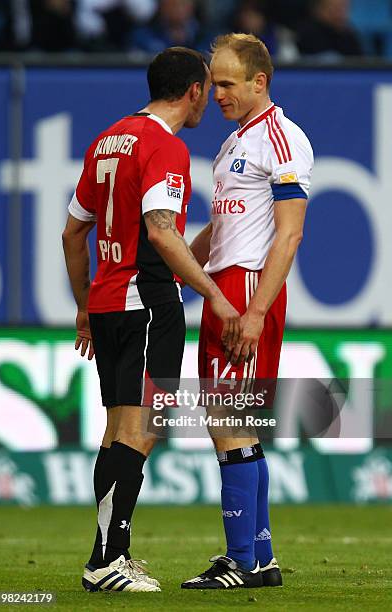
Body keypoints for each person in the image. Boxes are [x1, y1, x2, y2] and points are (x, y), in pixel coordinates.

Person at [62, 46, 240, 594]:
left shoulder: (107, 140)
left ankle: (109, 557)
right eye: (206, 89)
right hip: (147, 303)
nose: (208, 100)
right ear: (191, 90)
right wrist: (213, 292)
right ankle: (107, 561)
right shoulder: (165, 147)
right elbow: (161, 231)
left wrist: (85, 307)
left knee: (118, 430)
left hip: (109, 303)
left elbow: (73, 231)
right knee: (143, 430)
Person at [181, 33, 313, 589]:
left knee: (229, 424)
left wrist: (255, 310)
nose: (217, 94)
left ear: (261, 81)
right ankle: (260, 556)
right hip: (225, 284)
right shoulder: (238, 141)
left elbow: (290, 234)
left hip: (247, 289)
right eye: (214, 84)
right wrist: (182, 259)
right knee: (235, 424)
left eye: (228, 84)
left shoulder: (282, 141)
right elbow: (226, 227)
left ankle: (244, 560)